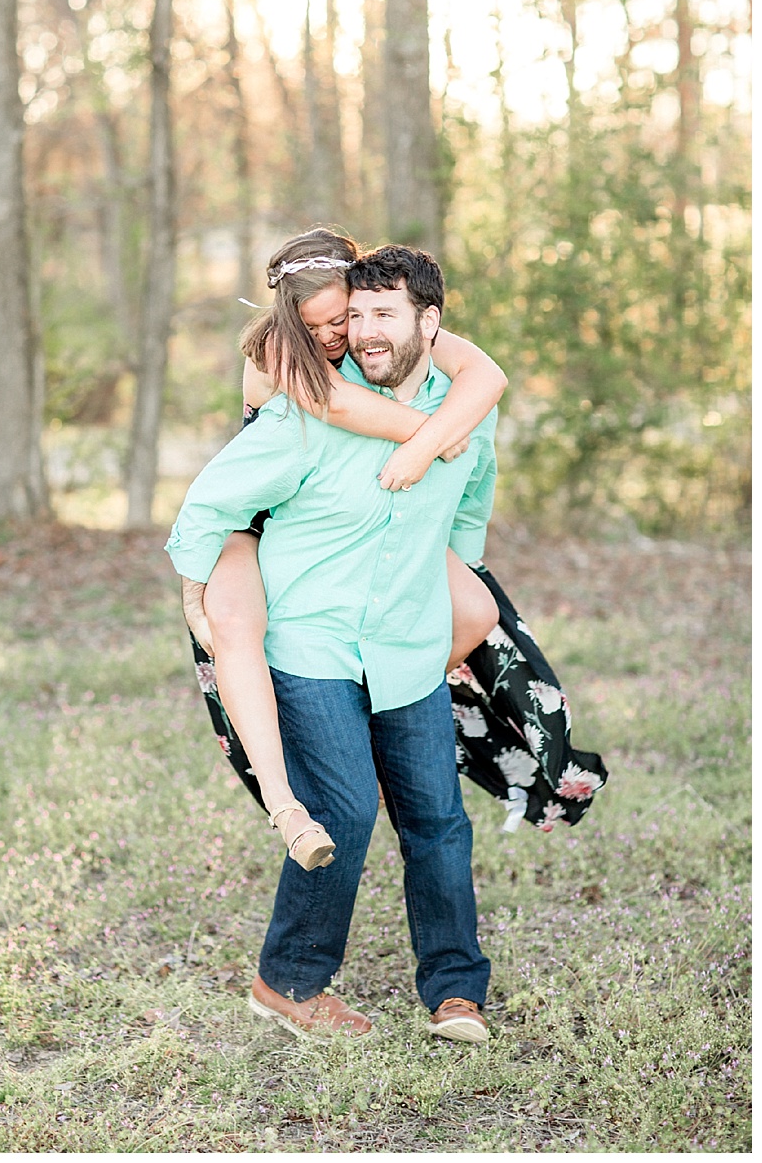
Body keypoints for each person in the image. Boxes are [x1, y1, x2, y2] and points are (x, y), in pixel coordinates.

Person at [184, 230, 606, 870]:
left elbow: (486, 374)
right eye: (317, 324)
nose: (334, 336)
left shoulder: (372, 318)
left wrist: (439, 450)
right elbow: (342, 407)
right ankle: (284, 803)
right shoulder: (277, 348)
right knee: (236, 626)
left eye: (343, 317)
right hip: (263, 508)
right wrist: (436, 437)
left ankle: (376, 717)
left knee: (475, 610)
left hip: (351, 500)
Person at [166, 243, 499, 1043]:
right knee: (346, 811)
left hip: (408, 646)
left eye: (384, 315)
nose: (365, 332)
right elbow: (209, 502)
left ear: (430, 321)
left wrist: (449, 612)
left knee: (438, 820)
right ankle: (287, 982)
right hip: (311, 645)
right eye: (356, 317)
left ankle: (455, 990)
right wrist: (199, 587)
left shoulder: (466, 422)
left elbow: (465, 528)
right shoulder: (307, 407)